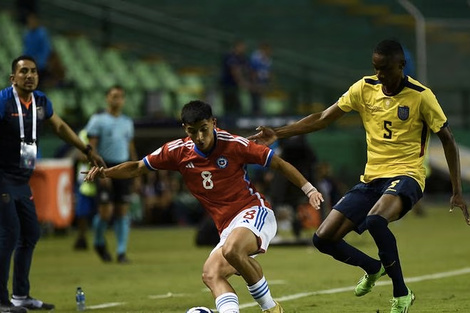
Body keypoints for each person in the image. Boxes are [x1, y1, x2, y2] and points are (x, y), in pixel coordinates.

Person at [248, 39, 469, 313]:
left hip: (407, 175)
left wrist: (456, 189)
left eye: (386, 69)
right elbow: (323, 117)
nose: (381, 75)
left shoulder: (421, 96)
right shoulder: (364, 88)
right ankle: (372, 267)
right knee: (322, 239)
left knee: (376, 221)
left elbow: (447, 139)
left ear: (401, 66)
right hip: (371, 180)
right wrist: (278, 133)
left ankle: (402, 293)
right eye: (376, 68)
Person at [84, 100, 324, 313]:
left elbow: (279, 164)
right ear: (184, 129)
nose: (199, 137)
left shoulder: (234, 144)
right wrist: (106, 173)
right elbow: (137, 167)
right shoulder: (177, 152)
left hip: (254, 211)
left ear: (213, 123)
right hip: (226, 225)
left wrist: (309, 189)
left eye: (204, 130)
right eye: (192, 131)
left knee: (232, 251)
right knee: (211, 274)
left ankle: (271, 309)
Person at [0, 55, 104, 312]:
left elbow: (59, 126)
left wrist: (87, 149)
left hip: (22, 179)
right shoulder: (3, 101)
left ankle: (21, 296)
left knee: (31, 234)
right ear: (13, 78)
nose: (30, 75)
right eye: (23, 71)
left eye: (33, 71)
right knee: (9, 234)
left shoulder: (41, 101)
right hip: (1, 177)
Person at [86, 85, 139, 264]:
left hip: (123, 167)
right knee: (105, 212)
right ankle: (99, 242)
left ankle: (121, 252)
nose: (117, 100)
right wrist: (100, 171)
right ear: (107, 98)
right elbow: (91, 148)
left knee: (122, 210)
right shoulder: (98, 120)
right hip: (105, 167)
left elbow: (130, 148)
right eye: (114, 96)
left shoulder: (127, 122)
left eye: (120, 97)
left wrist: (136, 171)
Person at [73, 128, 98, 250]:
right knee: (82, 211)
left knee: (100, 211)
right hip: (84, 178)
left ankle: (98, 239)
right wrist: (94, 158)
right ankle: (81, 237)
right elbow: (79, 155)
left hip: (100, 176)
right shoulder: (83, 134)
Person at [219, 40, 251, 116]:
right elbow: (234, 71)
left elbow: (247, 69)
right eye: (242, 47)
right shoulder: (230, 56)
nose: (243, 49)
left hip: (235, 86)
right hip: (228, 84)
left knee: (236, 106)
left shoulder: (242, 58)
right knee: (229, 106)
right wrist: (242, 82)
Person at [22, 13, 51, 89]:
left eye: (32, 21)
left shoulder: (42, 34)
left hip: (39, 67)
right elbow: (26, 49)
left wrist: (39, 61)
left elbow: (46, 50)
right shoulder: (28, 34)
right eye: (29, 21)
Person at [249, 43, 272, 115]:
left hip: (263, 82)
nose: (269, 51)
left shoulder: (268, 59)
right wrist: (255, 84)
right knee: (255, 101)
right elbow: (252, 71)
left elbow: (269, 72)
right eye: (268, 50)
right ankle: (254, 116)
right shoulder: (255, 57)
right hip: (255, 82)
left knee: (262, 102)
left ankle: (261, 115)